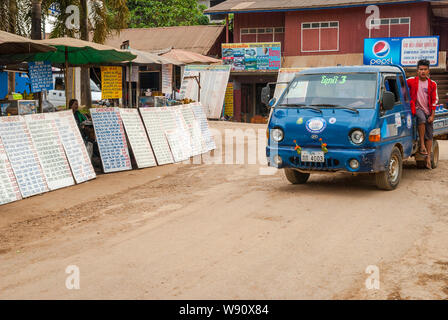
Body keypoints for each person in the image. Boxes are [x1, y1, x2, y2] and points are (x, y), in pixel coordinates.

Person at [407, 59, 439, 169]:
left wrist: (432, 115)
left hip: (428, 111)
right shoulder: (411, 81)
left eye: (425, 69)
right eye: (421, 69)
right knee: (421, 119)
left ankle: (428, 157)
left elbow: (435, 100)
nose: (423, 71)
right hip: (417, 108)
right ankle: (422, 145)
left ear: (428, 70)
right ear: (417, 70)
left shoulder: (432, 84)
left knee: (429, 135)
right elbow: (400, 84)